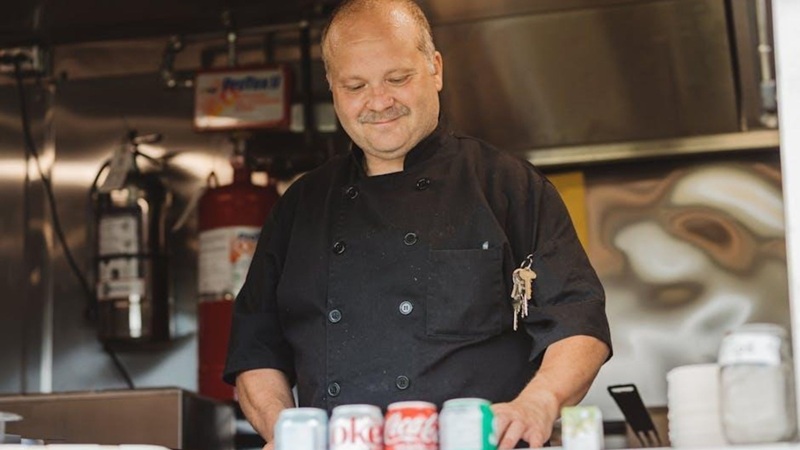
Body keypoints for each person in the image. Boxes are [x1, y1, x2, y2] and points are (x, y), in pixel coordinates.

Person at [223, 0, 611, 448]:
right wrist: (284, 431)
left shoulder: (506, 186)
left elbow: (577, 319)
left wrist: (537, 404)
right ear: (332, 88)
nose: (379, 101)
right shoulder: (300, 206)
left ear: (436, 69)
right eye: (355, 85)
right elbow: (255, 348)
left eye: (398, 78)